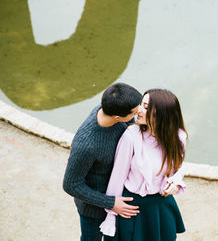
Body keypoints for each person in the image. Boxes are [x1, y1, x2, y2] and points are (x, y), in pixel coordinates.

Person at [100, 88, 188, 241]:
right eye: (141, 104)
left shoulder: (179, 136)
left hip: (160, 205)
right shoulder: (132, 135)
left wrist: (175, 182)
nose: (139, 110)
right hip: (131, 207)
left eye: (146, 107)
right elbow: (117, 177)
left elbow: (178, 167)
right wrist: (111, 213)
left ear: (162, 113)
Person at [63, 83, 142, 241]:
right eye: (135, 111)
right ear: (117, 118)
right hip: (94, 210)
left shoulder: (110, 108)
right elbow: (71, 184)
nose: (139, 112)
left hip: (119, 197)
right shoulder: (86, 145)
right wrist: (111, 203)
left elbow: (131, 124)